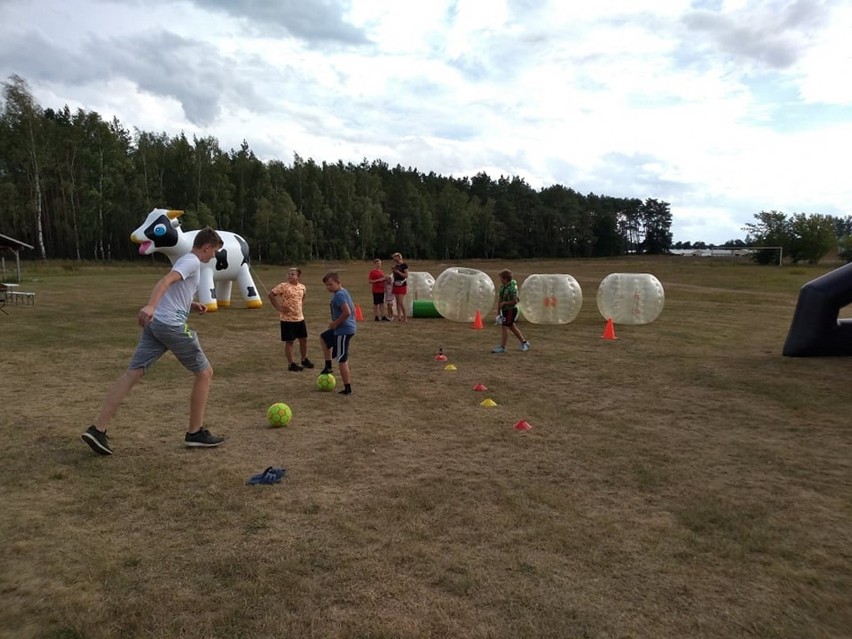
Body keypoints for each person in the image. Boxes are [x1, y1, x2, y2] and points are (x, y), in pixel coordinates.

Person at [81, 228, 226, 455]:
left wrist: (192, 304)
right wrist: (150, 305)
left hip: (156, 325)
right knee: (205, 373)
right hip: (170, 326)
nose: (214, 256)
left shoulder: (187, 261)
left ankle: (97, 428)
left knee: (133, 373)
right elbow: (165, 281)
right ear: (206, 247)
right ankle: (195, 432)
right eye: (214, 251)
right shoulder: (192, 262)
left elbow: (176, 292)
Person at [268, 267, 315, 372]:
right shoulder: (283, 286)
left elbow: (302, 298)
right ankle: (291, 364)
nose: (290, 276)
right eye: (288, 274)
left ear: (298, 276)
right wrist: (279, 308)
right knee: (290, 342)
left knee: (304, 339)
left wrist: (298, 307)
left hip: (300, 318)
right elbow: (271, 295)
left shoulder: (302, 287)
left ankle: (304, 359)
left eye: (292, 274)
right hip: (287, 320)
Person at [319, 272, 356, 395]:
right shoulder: (342, 292)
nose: (328, 287)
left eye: (330, 284)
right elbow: (352, 309)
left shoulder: (339, 295)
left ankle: (347, 388)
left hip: (343, 331)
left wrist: (335, 323)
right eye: (326, 285)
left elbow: (347, 312)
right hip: (343, 329)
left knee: (342, 359)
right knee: (324, 338)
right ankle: (328, 365)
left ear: (338, 283)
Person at [492, 269, 530, 353]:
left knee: (504, 326)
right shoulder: (503, 287)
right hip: (505, 310)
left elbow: (515, 301)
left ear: (505, 279)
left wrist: (505, 303)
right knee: (512, 327)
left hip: (511, 310)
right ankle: (524, 342)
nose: (500, 280)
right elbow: (500, 299)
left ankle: (503, 347)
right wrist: (498, 311)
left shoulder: (512, 288)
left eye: (501, 278)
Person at [391, 252, 409, 322]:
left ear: (399, 257)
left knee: (401, 302)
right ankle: (399, 316)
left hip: (402, 285)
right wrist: (393, 271)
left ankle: (405, 317)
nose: (394, 259)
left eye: (395, 257)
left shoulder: (404, 265)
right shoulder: (396, 266)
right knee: (397, 302)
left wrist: (398, 272)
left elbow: (406, 275)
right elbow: (394, 276)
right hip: (396, 284)